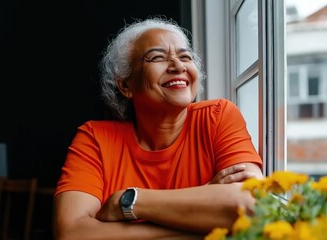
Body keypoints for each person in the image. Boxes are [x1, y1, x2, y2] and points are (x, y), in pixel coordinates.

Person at [53, 17, 264, 240]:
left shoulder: (218, 116)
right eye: (157, 57)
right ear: (125, 85)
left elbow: (250, 206)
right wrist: (201, 221)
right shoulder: (94, 138)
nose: (178, 66)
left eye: (185, 57)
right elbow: (71, 233)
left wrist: (129, 201)